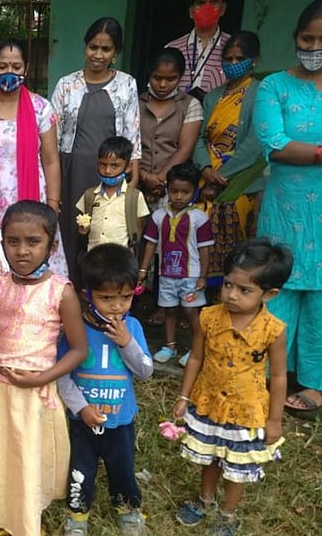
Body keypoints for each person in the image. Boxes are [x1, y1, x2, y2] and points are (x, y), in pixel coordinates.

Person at [0, 201, 88, 536]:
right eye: (13, 242)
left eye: (33, 241)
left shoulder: (61, 291)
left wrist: (42, 378)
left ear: (52, 246)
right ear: (2, 245)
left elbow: (78, 350)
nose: (22, 250)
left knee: (26, 457)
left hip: (34, 392)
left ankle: (27, 519)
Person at [171, 238, 293, 536]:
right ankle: (204, 500)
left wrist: (274, 420)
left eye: (244, 290)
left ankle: (228, 513)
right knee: (210, 456)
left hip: (246, 411)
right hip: (209, 403)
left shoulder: (273, 330)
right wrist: (184, 396)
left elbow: (278, 377)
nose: (232, 295)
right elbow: (196, 357)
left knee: (236, 467)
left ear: (270, 294)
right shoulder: (209, 317)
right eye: (228, 285)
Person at [56, 244, 153, 536]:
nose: (117, 307)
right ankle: (78, 515)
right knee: (80, 471)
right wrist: (81, 408)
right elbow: (62, 374)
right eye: (107, 298)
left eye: (125, 297)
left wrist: (127, 343)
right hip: (83, 420)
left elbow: (146, 371)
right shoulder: (74, 329)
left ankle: (128, 509)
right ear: (87, 295)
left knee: (122, 468)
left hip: (120, 420)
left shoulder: (132, 327)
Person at [253, 0, 322, 417]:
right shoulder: (274, 86)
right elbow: (274, 145)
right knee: (278, 285)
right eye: (307, 38)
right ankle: (265, 377)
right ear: (295, 38)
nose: (313, 46)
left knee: (320, 295)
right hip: (285, 206)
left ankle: (315, 383)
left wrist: (310, 150)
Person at [51, 17, 141, 287]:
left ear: (116, 53)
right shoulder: (67, 84)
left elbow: (132, 130)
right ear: (85, 47)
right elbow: (52, 134)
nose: (98, 55)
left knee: (107, 231)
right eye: (93, 47)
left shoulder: (126, 84)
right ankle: (70, 289)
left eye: (106, 49)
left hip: (111, 172)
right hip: (72, 169)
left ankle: (103, 291)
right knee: (72, 230)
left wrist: (132, 175)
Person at [193, 30, 265, 283]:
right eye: (228, 58)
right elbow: (200, 137)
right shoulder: (213, 96)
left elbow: (255, 142)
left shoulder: (261, 93)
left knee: (241, 247)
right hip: (207, 179)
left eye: (239, 58)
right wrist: (205, 170)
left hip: (242, 181)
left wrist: (221, 175)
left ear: (254, 60)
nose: (233, 64)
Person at [0, 40, 61, 223]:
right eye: (2, 66)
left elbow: (51, 160)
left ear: (26, 68)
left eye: (16, 67)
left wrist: (53, 205)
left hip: (33, 198)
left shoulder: (42, 108)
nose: (9, 72)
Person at [138, 163, 214, 366]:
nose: (179, 196)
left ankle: (195, 348)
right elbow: (150, 245)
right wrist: (143, 270)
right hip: (166, 274)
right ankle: (170, 347)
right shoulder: (158, 216)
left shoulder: (200, 218)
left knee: (191, 312)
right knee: (169, 310)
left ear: (194, 191)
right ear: (167, 190)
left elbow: (205, 249)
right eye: (174, 191)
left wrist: (203, 276)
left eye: (185, 192)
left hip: (190, 275)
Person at [138, 48, 204, 209]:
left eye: (171, 79)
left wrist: (159, 180)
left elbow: (185, 149)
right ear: (149, 74)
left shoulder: (190, 104)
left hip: (173, 189)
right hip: (137, 182)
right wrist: (144, 177)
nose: (162, 84)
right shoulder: (136, 102)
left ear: (181, 77)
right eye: (157, 78)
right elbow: (129, 145)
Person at [76, 136, 149, 253]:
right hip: (94, 255)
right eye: (103, 165)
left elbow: (138, 227)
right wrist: (83, 229)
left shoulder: (134, 196)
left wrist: (132, 248)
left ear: (128, 167)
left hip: (121, 257)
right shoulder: (90, 195)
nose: (107, 171)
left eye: (114, 166)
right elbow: (84, 223)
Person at [165, 0, 231, 100]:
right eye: (201, 3)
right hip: (178, 115)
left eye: (214, 2)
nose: (207, 8)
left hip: (216, 116)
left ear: (223, 9)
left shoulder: (232, 47)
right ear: (191, 12)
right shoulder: (173, 48)